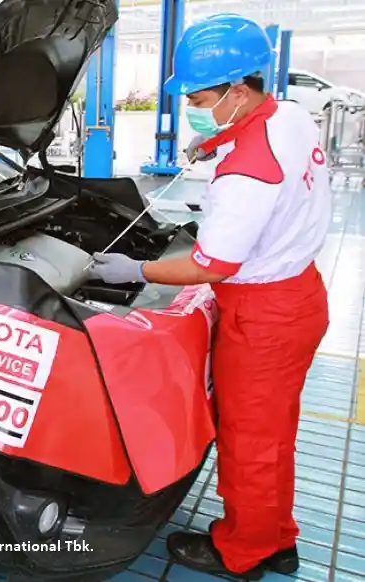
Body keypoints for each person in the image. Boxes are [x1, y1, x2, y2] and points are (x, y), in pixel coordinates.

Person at [88, 13, 332, 581]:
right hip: (299, 294)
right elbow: (259, 131)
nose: (192, 106)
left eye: (199, 98)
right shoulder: (291, 116)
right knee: (273, 433)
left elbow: (211, 265)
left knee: (250, 441)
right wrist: (216, 139)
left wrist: (136, 269)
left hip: (265, 317)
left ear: (238, 89)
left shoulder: (246, 176)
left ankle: (244, 552)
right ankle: (276, 537)